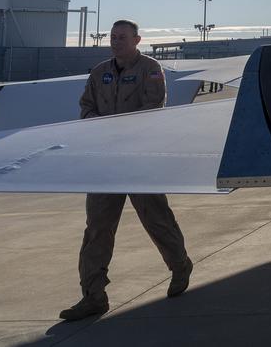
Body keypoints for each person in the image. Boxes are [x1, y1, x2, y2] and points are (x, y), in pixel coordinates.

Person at [59, 19, 193, 321]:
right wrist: (100, 127)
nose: (116, 42)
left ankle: (180, 266)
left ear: (137, 40)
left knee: (156, 218)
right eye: (113, 37)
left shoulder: (150, 69)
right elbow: (86, 106)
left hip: (139, 158)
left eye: (123, 37)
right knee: (97, 228)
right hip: (106, 161)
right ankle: (93, 295)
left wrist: (120, 132)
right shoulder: (99, 72)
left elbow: (153, 106)